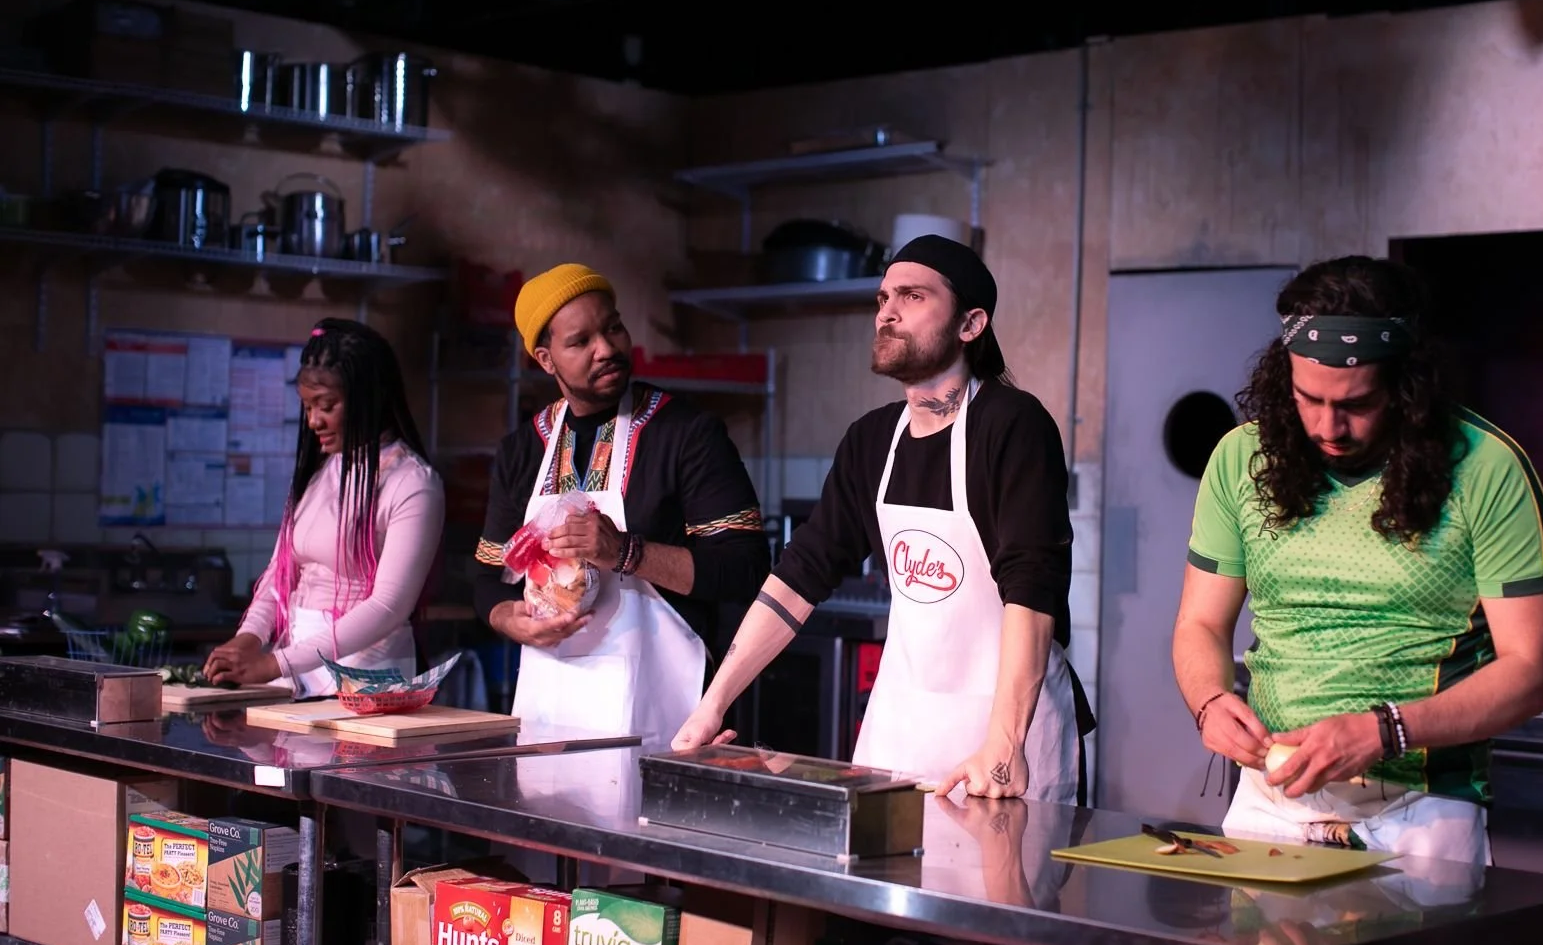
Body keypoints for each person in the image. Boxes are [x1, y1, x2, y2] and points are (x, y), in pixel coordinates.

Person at [1171, 255, 1543, 866]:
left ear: (1407, 388)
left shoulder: (1486, 468)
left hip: (1420, 810)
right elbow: (1201, 624)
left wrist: (1386, 730)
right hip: (1268, 803)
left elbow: (1536, 669)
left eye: (1358, 403)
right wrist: (1210, 701)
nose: (1330, 426)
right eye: (1308, 399)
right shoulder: (1241, 459)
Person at [673, 235, 1095, 805]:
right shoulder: (872, 440)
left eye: (913, 296)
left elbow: (1033, 586)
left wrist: (1005, 742)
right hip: (901, 728)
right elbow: (801, 575)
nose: (887, 313)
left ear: (971, 324)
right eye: (882, 298)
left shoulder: (1012, 424)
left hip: (1006, 744)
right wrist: (712, 704)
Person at [471, 263, 770, 748]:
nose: (606, 349)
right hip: (552, 708)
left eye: (613, 327)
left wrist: (627, 552)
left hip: (665, 712)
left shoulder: (688, 434)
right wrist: (511, 620)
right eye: (580, 341)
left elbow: (745, 567)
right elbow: (488, 578)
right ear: (546, 360)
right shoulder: (522, 451)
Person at [205, 318, 446, 695]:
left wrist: (275, 662)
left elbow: (388, 607)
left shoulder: (412, 482)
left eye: (327, 405)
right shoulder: (320, 473)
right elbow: (279, 574)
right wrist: (249, 637)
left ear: (368, 398)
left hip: (366, 677)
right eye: (307, 406)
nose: (314, 420)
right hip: (295, 671)